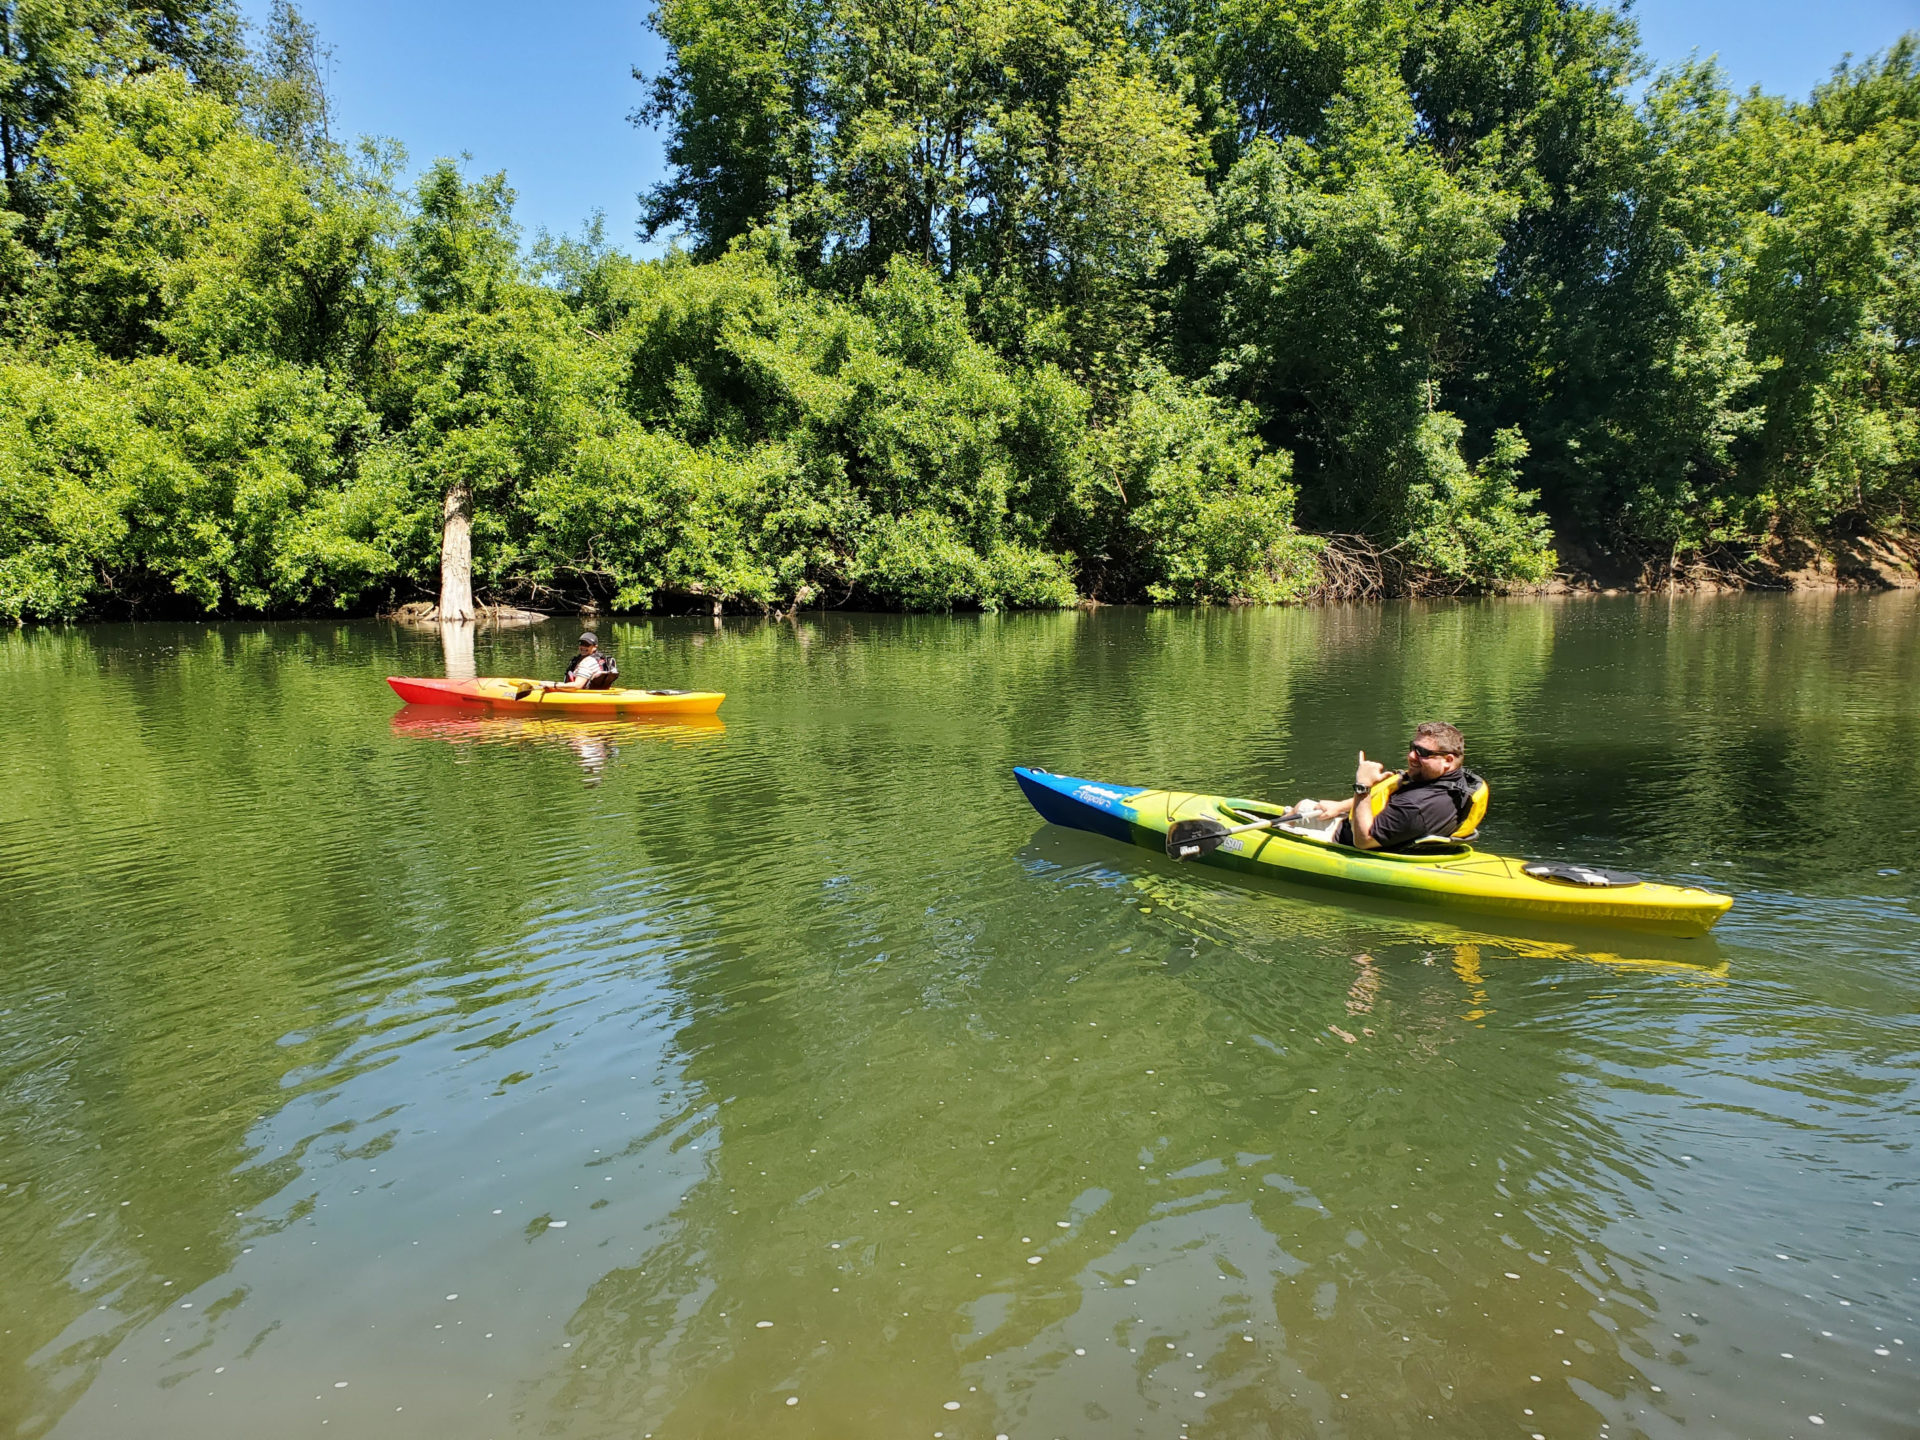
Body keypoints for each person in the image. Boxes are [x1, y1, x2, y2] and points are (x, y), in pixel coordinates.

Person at [1295, 721, 1488, 851]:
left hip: (1348, 842)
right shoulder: (1455, 782)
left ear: (1448, 760)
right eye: (1412, 747)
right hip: (1378, 831)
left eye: (1422, 752)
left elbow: (1363, 841)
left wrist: (1363, 786)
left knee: (1284, 827)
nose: (1411, 756)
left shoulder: (1416, 806)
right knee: (1303, 806)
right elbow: (1394, 790)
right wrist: (1340, 806)